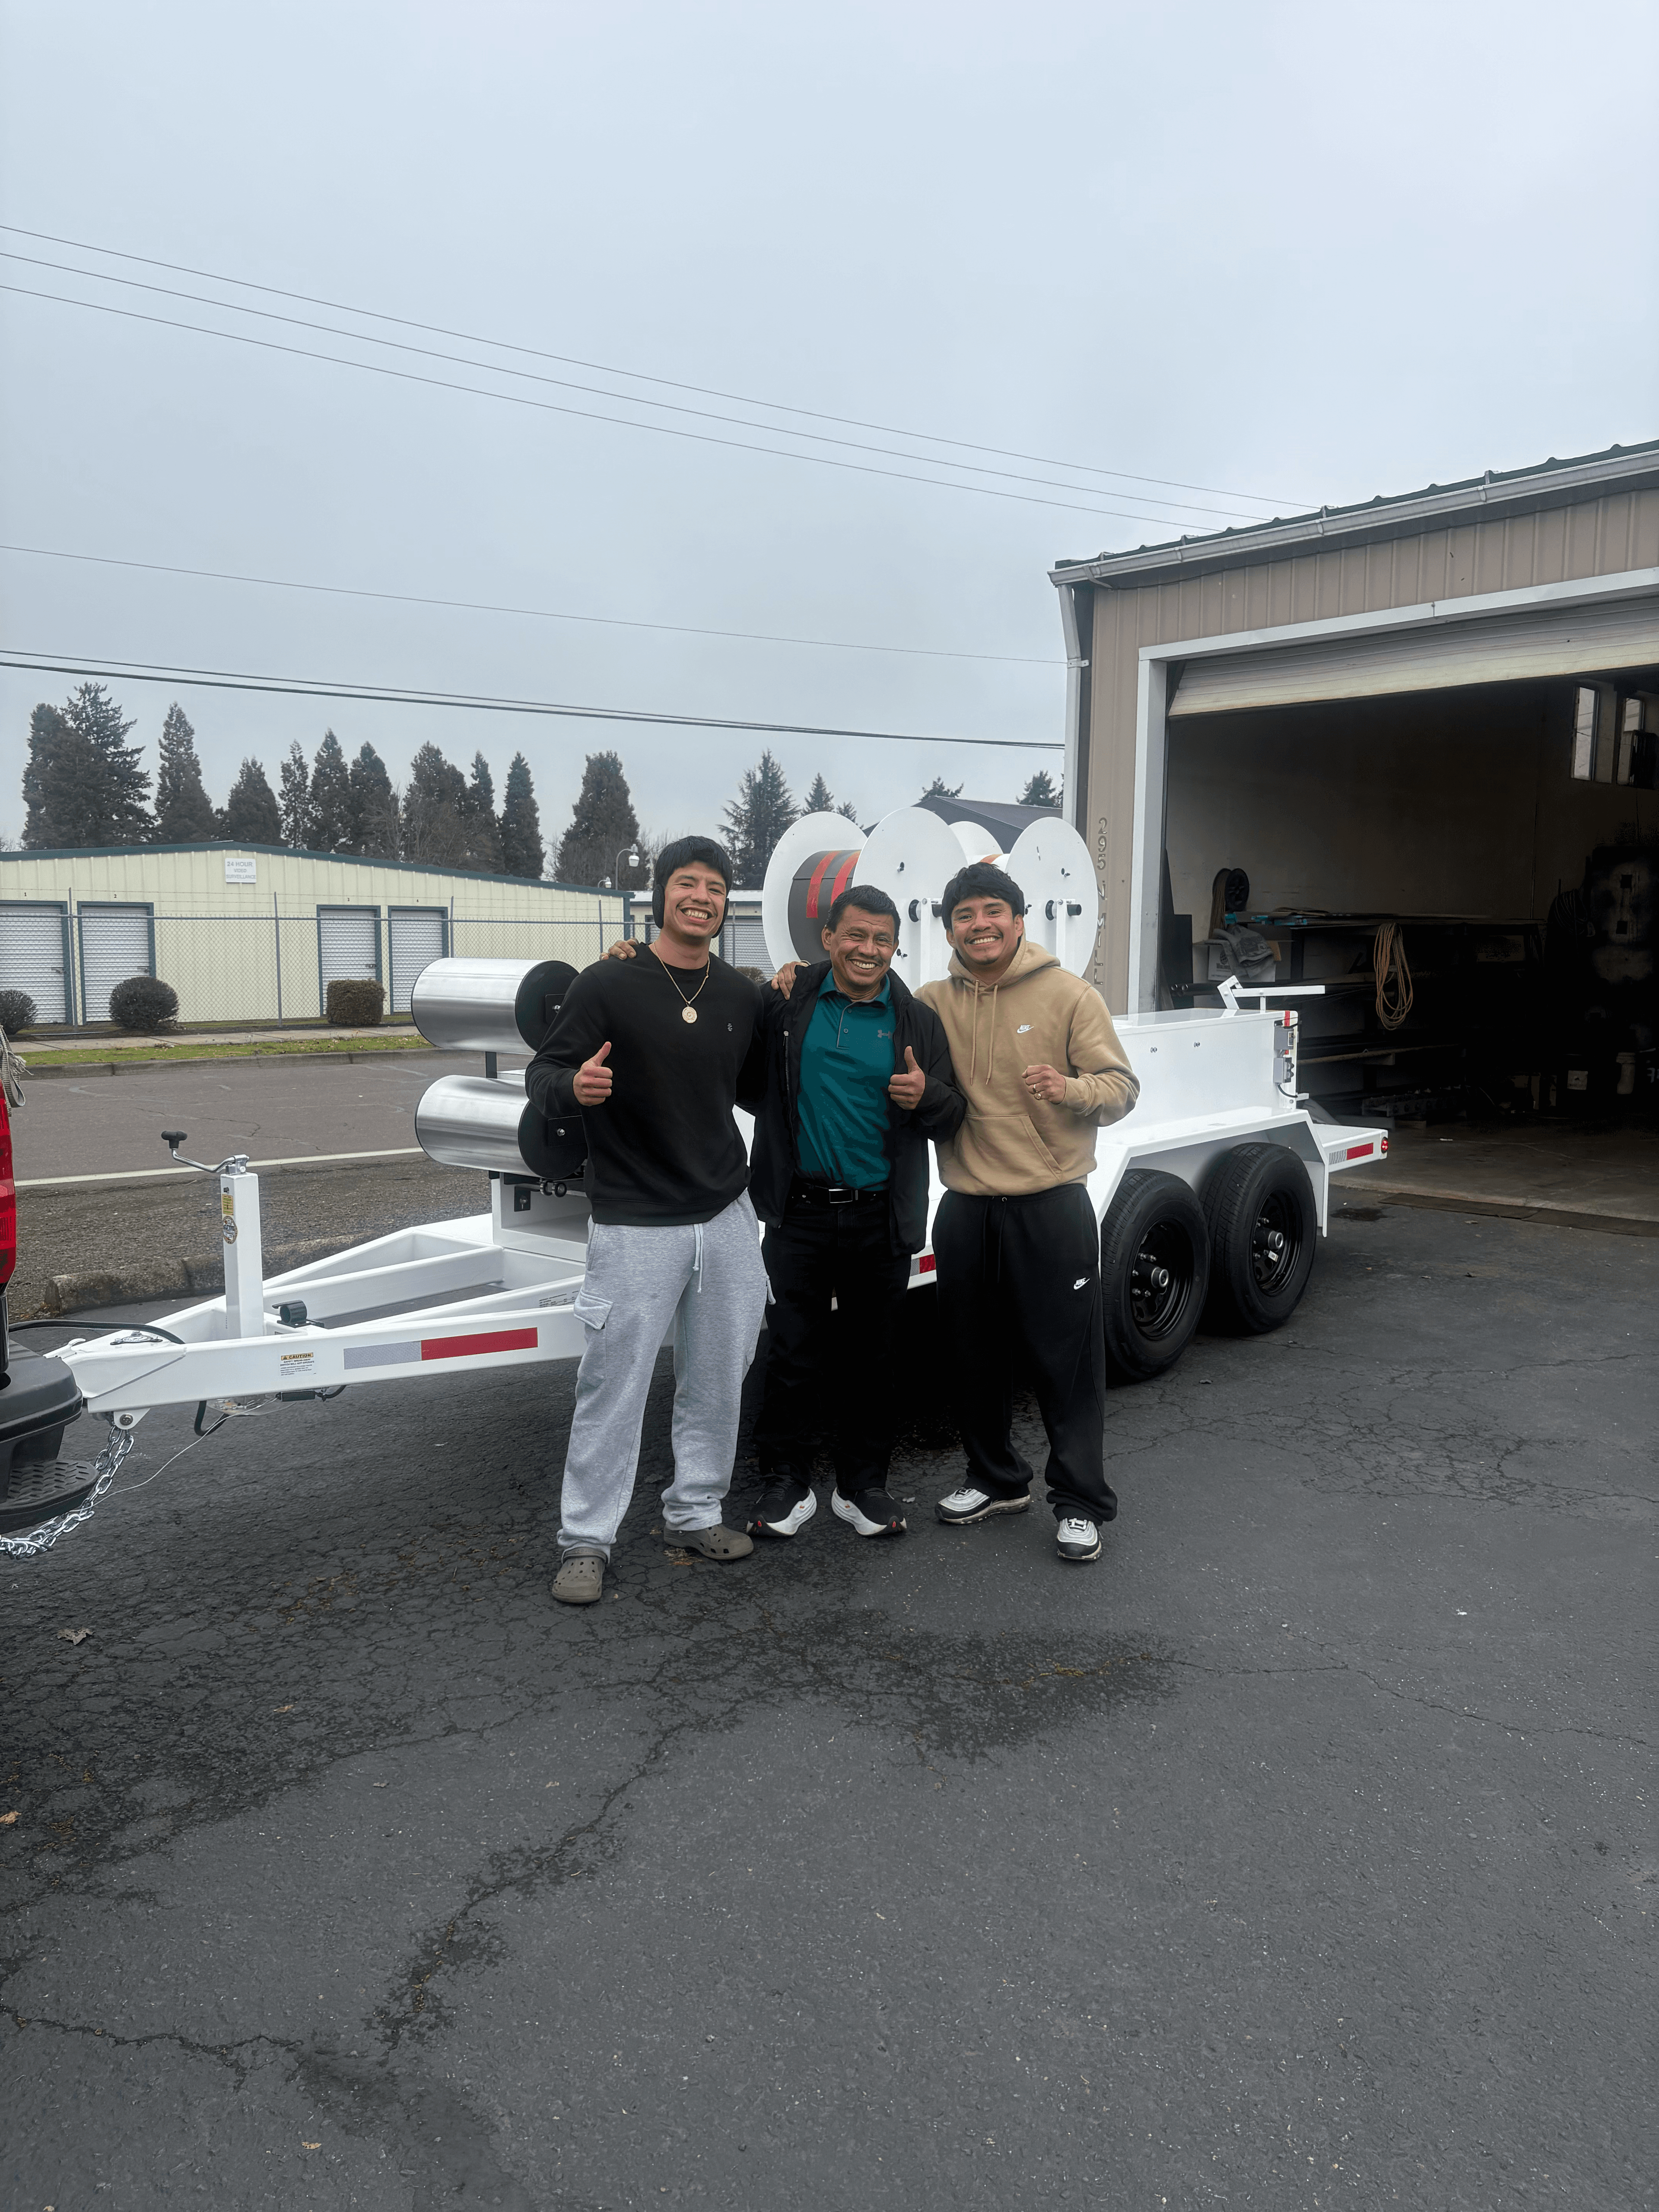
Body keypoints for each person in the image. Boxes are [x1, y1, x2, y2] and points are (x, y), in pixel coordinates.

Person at [527, 835, 769, 1606]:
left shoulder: (741, 996)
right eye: (687, 884)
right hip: (634, 1220)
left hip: (725, 1214)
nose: (702, 898)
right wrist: (574, 1087)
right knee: (614, 1383)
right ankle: (586, 1539)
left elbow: (761, 1088)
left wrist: (795, 986)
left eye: (716, 888)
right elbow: (543, 1073)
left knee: (719, 1376)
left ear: (727, 906)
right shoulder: (608, 982)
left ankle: (694, 1513)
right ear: (661, 895)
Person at [918, 862, 1138, 1565]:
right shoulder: (929, 1002)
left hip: (1051, 1204)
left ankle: (1079, 1502)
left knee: (1065, 1362)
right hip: (966, 1207)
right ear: (949, 929)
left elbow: (1121, 1088)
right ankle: (995, 1480)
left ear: (1018, 922)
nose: (979, 925)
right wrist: (792, 978)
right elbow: (855, 996)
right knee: (971, 1357)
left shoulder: (1070, 995)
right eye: (965, 915)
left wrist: (1070, 1089)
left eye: (993, 912)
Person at [743, 884, 963, 1540]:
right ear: (829, 939)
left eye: (882, 939)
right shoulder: (788, 1002)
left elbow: (954, 1113)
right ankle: (787, 1482)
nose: (868, 949)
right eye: (856, 935)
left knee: (874, 1358)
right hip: (800, 1212)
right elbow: (744, 1074)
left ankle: (862, 1486)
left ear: (895, 947)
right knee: (791, 1354)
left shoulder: (916, 1020)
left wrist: (926, 1095)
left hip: (880, 1217)